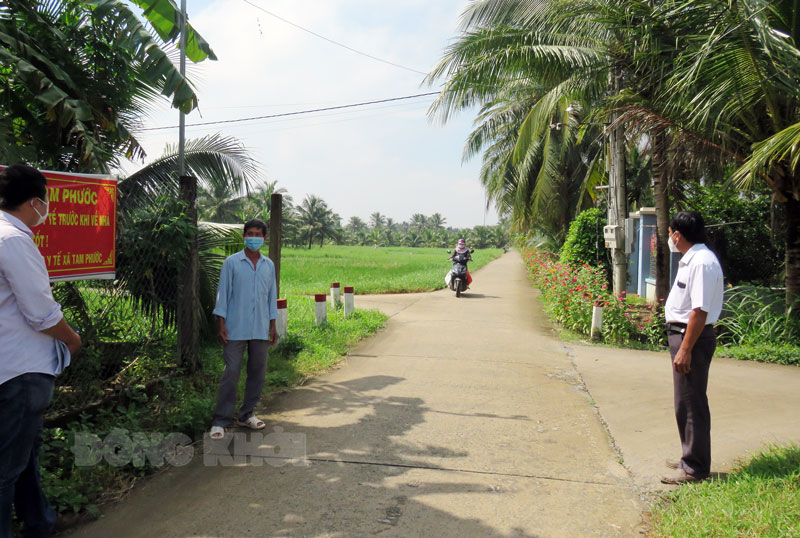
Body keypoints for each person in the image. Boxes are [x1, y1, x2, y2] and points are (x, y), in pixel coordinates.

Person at [0, 164, 82, 537]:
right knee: (8, 466)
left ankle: (40, 521)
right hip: (20, 370)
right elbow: (40, 313)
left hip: (11, 368)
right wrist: (70, 337)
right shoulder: (15, 240)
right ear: (34, 202)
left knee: (24, 452)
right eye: (45, 201)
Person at [661, 211, 723, 485]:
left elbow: (699, 311)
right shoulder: (692, 260)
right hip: (685, 336)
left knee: (690, 402)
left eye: (670, 233)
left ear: (677, 235)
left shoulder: (701, 263)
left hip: (691, 338)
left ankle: (695, 469)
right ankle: (690, 456)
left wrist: (686, 349)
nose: (669, 239)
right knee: (684, 403)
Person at [209, 219, 278, 439]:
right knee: (231, 372)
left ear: (264, 238)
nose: (253, 237)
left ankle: (247, 413)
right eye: (250, 233)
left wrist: (272, 326)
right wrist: (221, 324)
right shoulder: (232, 262)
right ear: (244, 236)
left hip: (260, 327)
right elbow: (223, 294)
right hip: (235, 327)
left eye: (258, 234)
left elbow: (271, 298)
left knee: (257, 372)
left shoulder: (269, 265)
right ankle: (221, 420)